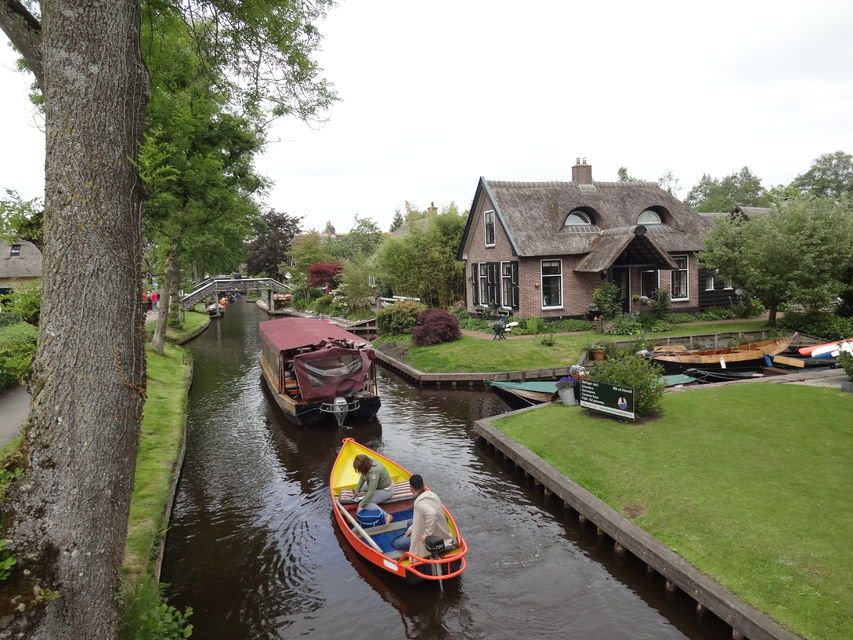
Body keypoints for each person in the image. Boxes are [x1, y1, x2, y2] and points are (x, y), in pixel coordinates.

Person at [392, 474, 451, 558]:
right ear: (423, 485)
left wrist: (426, 535)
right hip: (439, 528)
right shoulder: (432, 495)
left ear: (411, 488)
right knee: (410, 523)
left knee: (397, 543)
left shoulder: (419, 503)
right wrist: (411, 528)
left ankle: (414, 538)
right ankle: (411, 532)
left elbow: (432, 514)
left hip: (433, 536)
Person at [352, 454, 394, 525]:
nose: (359, 471)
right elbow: (363, 475)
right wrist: (357, 489)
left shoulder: (374, 472)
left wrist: (360, 506)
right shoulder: (368, 462)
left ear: (363, 466)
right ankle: (363, 493)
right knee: (362, 490)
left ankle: (387, 516)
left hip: (386, 490)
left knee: (367, 502)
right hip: (377, 485)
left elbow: (371, 491)